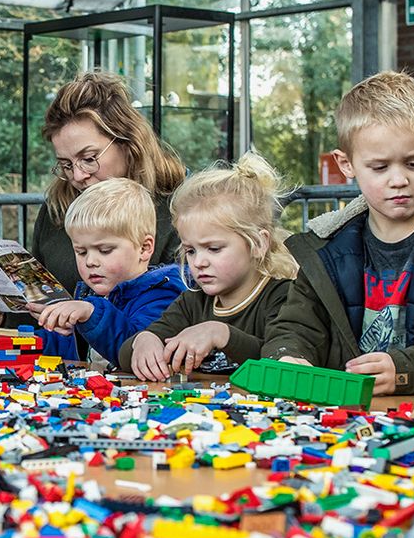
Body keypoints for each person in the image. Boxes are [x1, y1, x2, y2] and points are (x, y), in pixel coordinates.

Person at [262, 71, 414, 396]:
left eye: (413, 164)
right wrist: (287, 357)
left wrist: (404, 370)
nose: (398, 180)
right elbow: (295, 325)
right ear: (346, 164)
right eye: (379, 167)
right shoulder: (326, 247)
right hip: (347, 416)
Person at [0, 72, 184, 334]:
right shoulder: (58, 208)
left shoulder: (177, 211)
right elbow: (44, 310)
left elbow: (183, 314)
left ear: (128, 143)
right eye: (66, 165)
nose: (78, 176)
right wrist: (2, 318)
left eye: (89, 158)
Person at [123, 153, 299, 380]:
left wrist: (221, 334)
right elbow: (126, 354)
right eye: (191, 250)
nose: (199, 262)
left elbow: (280, 361)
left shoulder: (283, 296)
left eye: (214, 249)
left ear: (258, 243)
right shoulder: (192, 302)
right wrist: (144, 340)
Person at [30, 177, 186, 364]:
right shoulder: (88, 295)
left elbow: (134, 347)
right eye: (81, 252)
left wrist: (91, 313)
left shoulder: (162, 295)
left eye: (105, 251)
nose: (90, 261)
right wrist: (20, 343)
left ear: (144, 248)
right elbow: (64, 345)